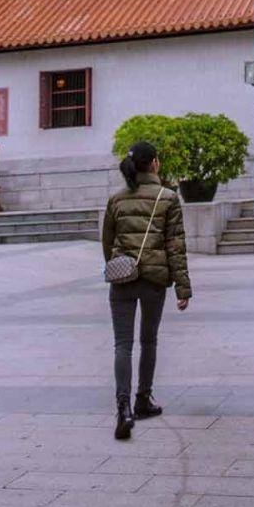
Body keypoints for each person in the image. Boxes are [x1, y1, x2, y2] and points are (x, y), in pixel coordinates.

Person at [101, 139, 191, 441]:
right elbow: (175, 246)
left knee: (122, 344)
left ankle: (123, 407)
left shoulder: (116, 199)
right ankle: (143, 399)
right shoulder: (168, 198)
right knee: (148, 341)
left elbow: (107, 241)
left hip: (122, 279)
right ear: (153, 163)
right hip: (154, 280)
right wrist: (182, 288)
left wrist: (117, 268)